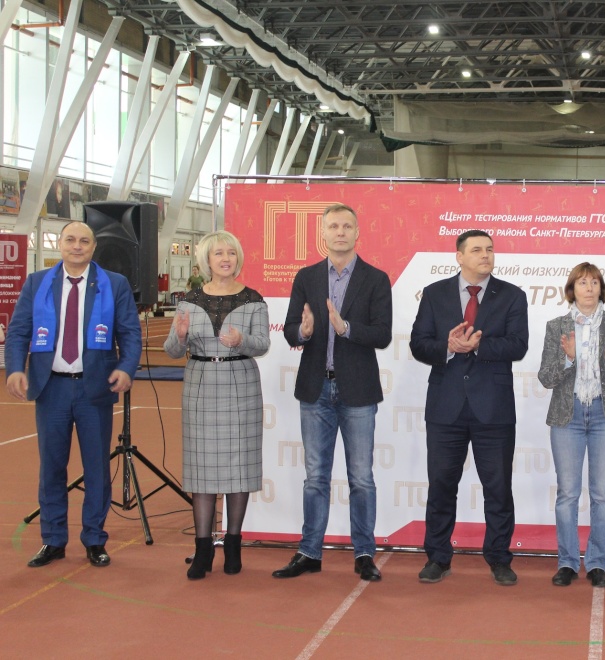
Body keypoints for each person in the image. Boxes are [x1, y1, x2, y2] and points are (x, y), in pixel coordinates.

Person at [4, 221, 141, 568]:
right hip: (51, 388)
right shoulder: (36, 283)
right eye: (70, 240)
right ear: (60, 245)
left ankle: (94, 539)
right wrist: (15, 368)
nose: (77, 246)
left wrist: (127, 367)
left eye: (84, 241)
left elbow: (129, 332)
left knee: (97, 468)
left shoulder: (114, 284)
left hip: (95, 388)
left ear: (93, 247)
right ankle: (53, 540)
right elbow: (19, 331)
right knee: (51, 468)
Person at [272, 203, 392, 582]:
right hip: (315, 390)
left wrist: (346, 328)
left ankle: (364, 553)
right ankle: (309, 551)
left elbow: (383, 334)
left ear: (358, 233)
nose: (340, 232)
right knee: (315, 478)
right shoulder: (306, 277)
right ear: (323, 234)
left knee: (361, 479)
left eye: (347, 226)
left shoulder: (375, 279)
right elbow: (290, 330)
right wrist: (304, 331)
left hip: (358, 391)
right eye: (334, 226)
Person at [410, 229, 528, 586]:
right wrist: (448, 347)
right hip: (445, 407)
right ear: (459, 256)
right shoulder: (435, 294)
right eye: (477, 250)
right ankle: (438, 557)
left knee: (498, 488)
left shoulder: (512, 295)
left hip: (493, 408)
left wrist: (477, 346)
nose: (485, 255)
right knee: (441, 486)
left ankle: (499, 558)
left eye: (489, 249)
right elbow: (419, 344)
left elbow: (518, 345)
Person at [164, 230, 270, 580]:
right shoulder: (188, 301)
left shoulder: (253, 299)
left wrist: (242, 340)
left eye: (231, 253)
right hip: (200, 384)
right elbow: (173, 350)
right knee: (202, 470)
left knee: (239, 467)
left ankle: (234, 544)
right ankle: (202, 548)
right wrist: (180, 336)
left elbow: (262, 344)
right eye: (219, 253)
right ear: (206, 260)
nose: (226, 259)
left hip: (241, 384)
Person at [537, 263, 605, 588]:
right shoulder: (557, 327)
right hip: (568, 416)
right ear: (572, 289)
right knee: (567, 493)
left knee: (602, 495)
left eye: (594, 282)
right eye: (582, 282)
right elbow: (546, 377)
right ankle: (567, 562)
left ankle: (597, 563)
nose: (589, 288)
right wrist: (568, 358)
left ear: (601, 288)